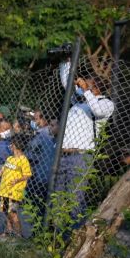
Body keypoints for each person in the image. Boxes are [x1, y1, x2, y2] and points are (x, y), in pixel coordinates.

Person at [54, 68, 115, 224]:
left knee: (75, 201)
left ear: (96, 86)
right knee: (57, 199)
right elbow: (67, 83)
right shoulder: (80, 102)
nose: (82, 83)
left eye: (87, 81)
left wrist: (86, 91)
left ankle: (75, 240)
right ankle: (57, 237)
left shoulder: (106, 103)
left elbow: (98, 112)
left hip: (80, 157)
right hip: (62, 155)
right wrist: (67, 63)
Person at [0, 133, 32, 238]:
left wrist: (16, 180)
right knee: (6, 212)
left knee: (12, 214)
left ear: (16, 145)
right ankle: (9, 231)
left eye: (12, 144)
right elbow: (2, 171)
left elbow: (27, 175)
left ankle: (19, 235)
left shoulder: (23, 160)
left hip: (13, 192)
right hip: (4, 191)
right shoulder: (10, 158)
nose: (10, 145)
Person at [25, 110, 55, 223]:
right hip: (46, 173)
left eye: (36, 119)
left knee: (37, 204)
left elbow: (30, 151)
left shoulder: (42, 134)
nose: (34, 122)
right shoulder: (49, 135)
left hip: (40, 174)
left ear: (44, 120)